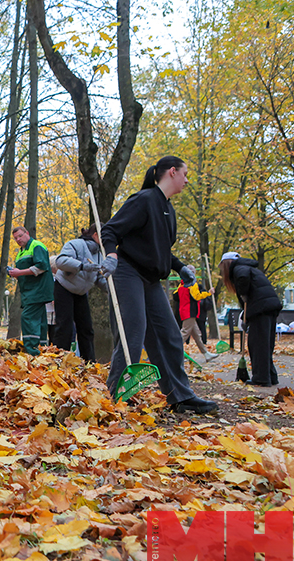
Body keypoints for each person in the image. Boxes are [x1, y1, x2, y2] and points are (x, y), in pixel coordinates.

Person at [100, 155, 218, 414]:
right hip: (128, 273)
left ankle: (180, 396)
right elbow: (110, 231)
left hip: (152, 280)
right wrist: (111, 256)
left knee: (170, 335)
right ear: (172, 172)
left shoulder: (169, 211)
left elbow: (160, 250)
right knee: (133, 335)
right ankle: (115, 397)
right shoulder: (143, 200)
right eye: (185, 174)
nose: (187, 180)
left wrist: (180, 268)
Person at [219, 252, 282, 386]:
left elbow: (242, 278)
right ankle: (270, 376)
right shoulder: (249, 267)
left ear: (227, 263)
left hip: (261, 308)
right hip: (269, 306)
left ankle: (261, 378)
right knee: (266, 343)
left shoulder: (238, 268)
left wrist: (243, 293)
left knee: (258, 344)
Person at [51, 224, 106, 362]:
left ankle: (89, 362)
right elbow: (61, 262)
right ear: (95, 235)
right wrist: (82, 266)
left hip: (81, 292)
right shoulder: (75, 244)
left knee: (86, 328)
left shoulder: (99, 255)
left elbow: (99, 278)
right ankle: (60, 361)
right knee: (65, 327)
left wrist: (113, 290)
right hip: (64, 288)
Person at [8, 226, 54, 356]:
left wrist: (20, 272)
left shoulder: (36, 246)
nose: (18, 239)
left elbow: (42, 266)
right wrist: (15, 273)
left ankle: (31, 349)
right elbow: (26, 272)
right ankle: (42, 347)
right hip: (29, 291)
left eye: (20, 236)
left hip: (38, 290)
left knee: (27, 317)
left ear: (27, 233)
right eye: (15, 238)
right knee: (40, 318)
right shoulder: (20, 253)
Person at [173, 265, 218, 362]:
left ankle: (206, 354)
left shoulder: (181, 285)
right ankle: (172, 352)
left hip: (185, 311)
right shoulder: (192, 284)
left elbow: (175, 295)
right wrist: (209, 293)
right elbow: (197, 296)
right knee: (184, 333)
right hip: (190, 311)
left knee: (197, 334)